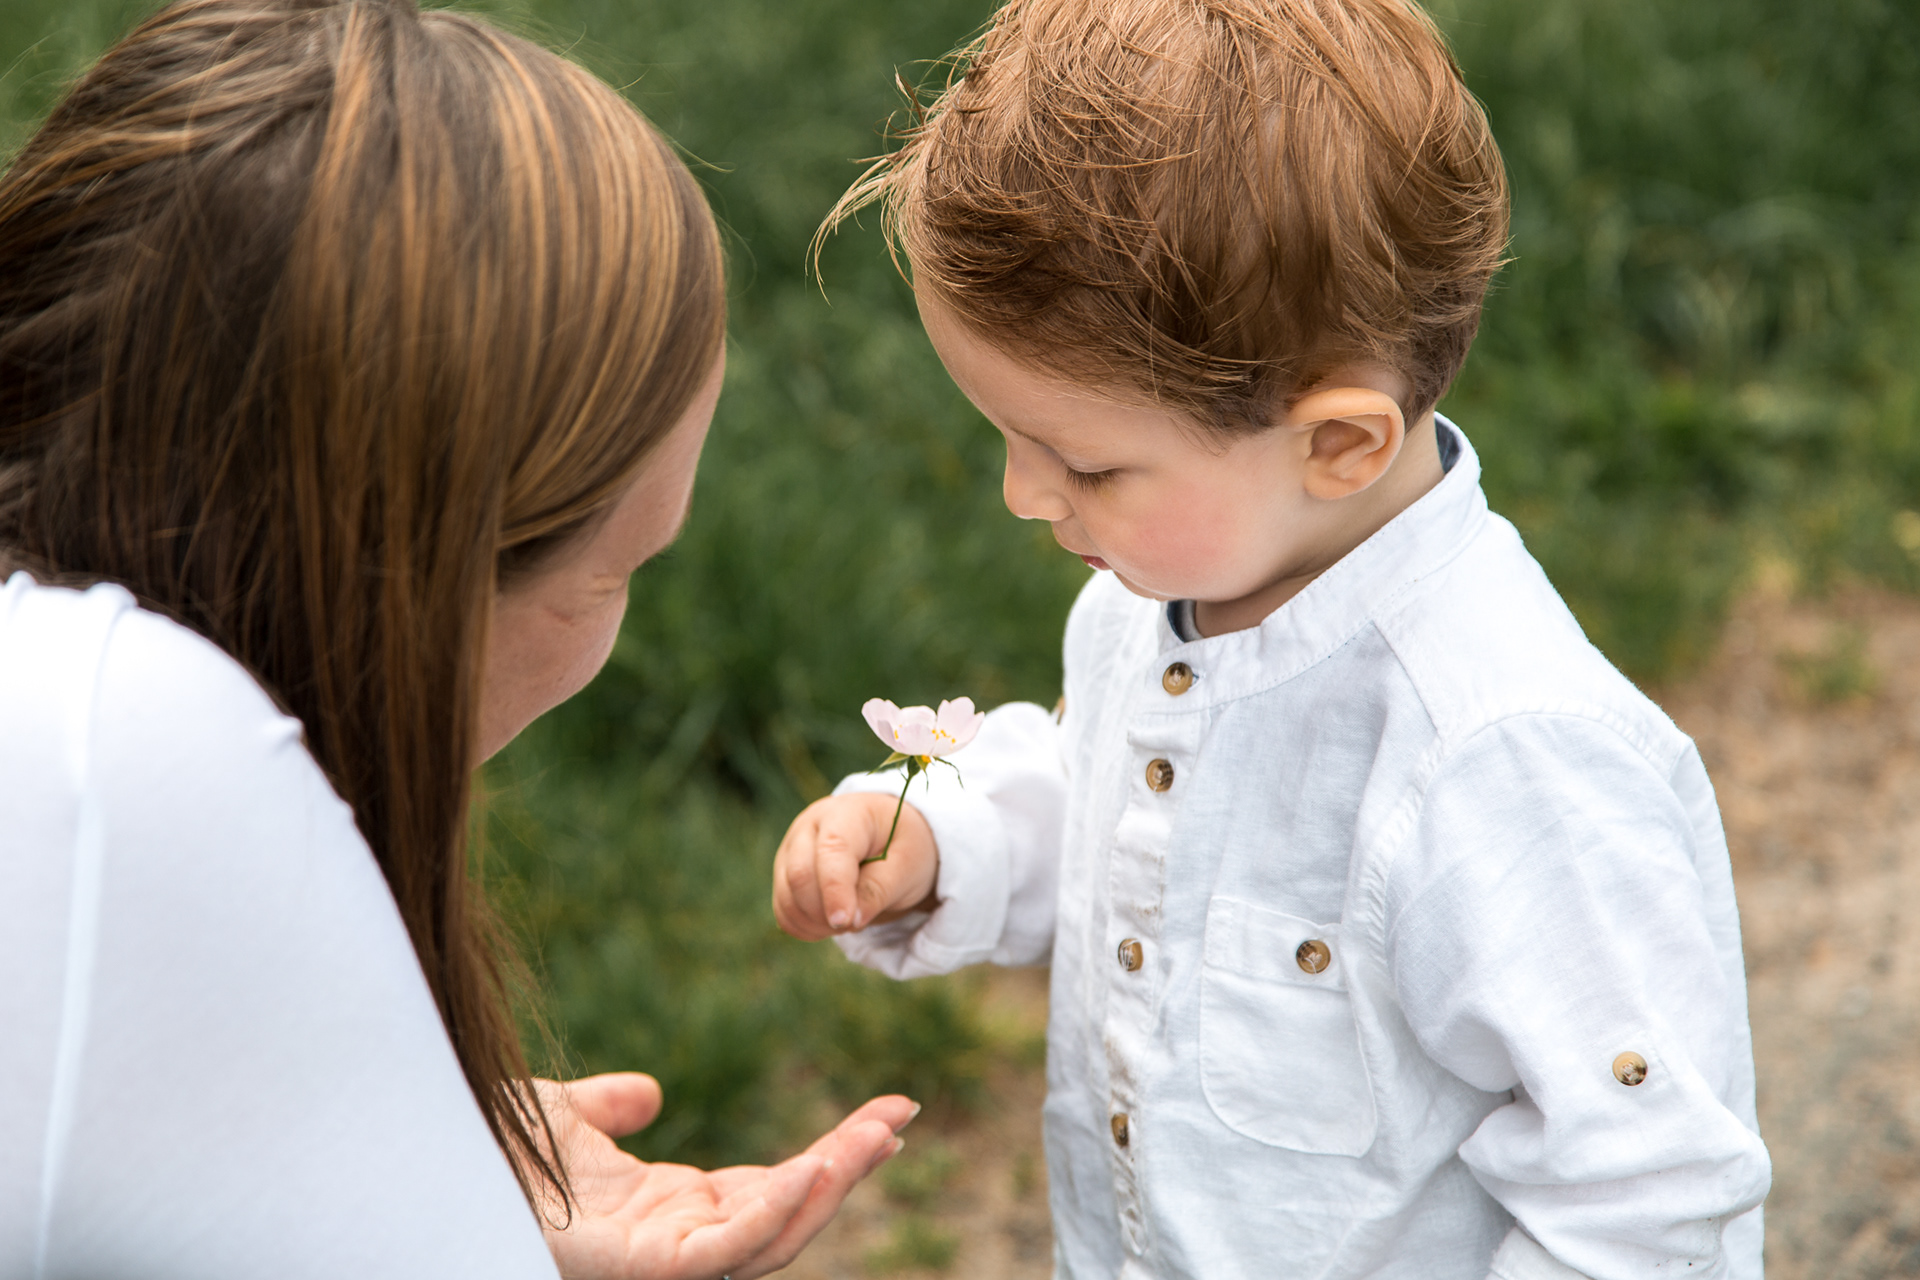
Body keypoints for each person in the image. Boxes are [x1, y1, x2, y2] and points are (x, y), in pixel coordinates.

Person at [772, 0, 1772, 1276]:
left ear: (1339, 443)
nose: (1023, 494)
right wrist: (941, 837)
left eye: (1083, 460)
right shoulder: (1145, 606)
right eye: (1008, 437)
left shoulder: (1508, 759)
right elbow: (1117, 812)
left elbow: (1646, 1194)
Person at [0, 2, 912, 1276]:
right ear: (402, 585)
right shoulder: (126, 755)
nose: (613, 635)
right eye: (615, 573)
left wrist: (318, 1146)